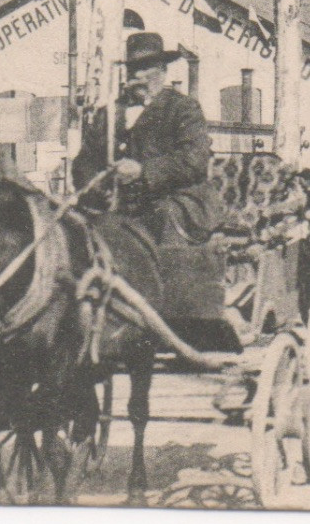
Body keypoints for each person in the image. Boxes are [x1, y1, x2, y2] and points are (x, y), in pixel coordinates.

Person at [73, 32, 220, 314]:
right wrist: (96, 186)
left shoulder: (182, 109)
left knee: (161, 216)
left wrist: (143, 171)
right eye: (131, 69)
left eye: (143, 69)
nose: (136, 76)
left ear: (162, 71)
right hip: (119, 202)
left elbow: (194, 160)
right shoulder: (109, 114)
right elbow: (84, 161)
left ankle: (172, 311)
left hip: (178, 200)